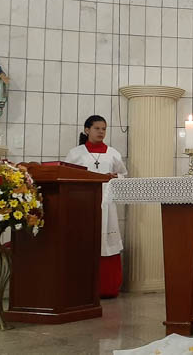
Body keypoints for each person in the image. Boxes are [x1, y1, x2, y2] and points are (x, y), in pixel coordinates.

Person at [64, 115, 127, 297]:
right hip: (83, 204)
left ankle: (107, 287)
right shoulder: (76, 153)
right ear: (87, 130)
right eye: (97, 128)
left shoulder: (113, 153)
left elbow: (123, 175)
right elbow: (68, 175)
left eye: (104, 129)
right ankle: (82, 287)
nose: (101, 132)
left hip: (107, 205)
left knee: (107, 242)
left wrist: (116, 177)